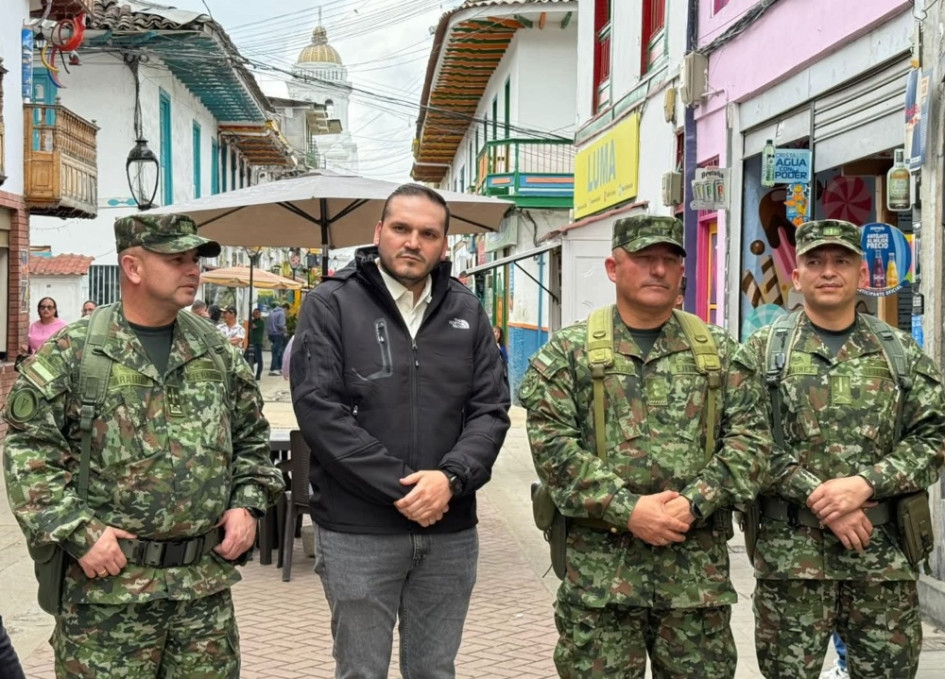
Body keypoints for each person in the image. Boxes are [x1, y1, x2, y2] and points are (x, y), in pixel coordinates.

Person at [2, 213, 285, 678]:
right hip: (107, 596)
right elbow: (29, 455)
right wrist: (79, 533)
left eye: (195, 260)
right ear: (132, 267)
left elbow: (251, 438)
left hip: (202, 593)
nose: (193, 270)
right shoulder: (77, 352)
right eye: (177, 259)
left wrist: (247, 504)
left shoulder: (215, 350)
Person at [519, 214, 770, 678]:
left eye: (669, 260)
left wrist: (693, 504)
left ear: (682, 272)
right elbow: (553, 448)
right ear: (613, 268)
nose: (657, 269)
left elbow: (751, 442)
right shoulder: (569, 353)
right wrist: (627, 509)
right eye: (644, 258)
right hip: (601, 582)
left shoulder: (720, 353)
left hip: (694, 583)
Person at [290, 183, 511, 678]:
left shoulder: (467, 310)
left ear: (444, 244)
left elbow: (491, 409)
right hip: (358, 531)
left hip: (449, 529)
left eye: (428, 233)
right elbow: (320, 412)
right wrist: (405, 488)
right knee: (361, 672)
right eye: (401, 228)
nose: (413, 242)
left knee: (435, 671)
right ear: (378, 232)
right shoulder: (330, 304)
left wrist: (450, 480)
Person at [743, 219, 945, 679]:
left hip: (882, 559)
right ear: (797, 276)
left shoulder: (899, 352)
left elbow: (933, 437)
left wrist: (865, 484)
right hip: (791, 562)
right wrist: (822, 498)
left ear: (862, 274)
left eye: (841, 261)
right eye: (815, 262)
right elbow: (744, 441)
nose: (828, 271)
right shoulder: (762, 351)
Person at [266, 302, 288, 376]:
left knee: (277, 352)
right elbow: (281, 325)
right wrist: (285, 329)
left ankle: (279, 368)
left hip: (271, 335)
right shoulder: (281, 313)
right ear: (285, 308)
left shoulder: (271, 312)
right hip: (278, 334)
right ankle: (274, 369)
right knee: (277, 352)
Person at [245, 308, 265, 380]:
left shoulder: (260, 322)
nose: (255, 314)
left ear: (260, 314)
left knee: (259, 359)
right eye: (254, 313)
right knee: (248, 358)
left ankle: (258, 375)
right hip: (251, 342)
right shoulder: (253, 321)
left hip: (257, 342)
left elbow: (252, 326)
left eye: (257, 313)